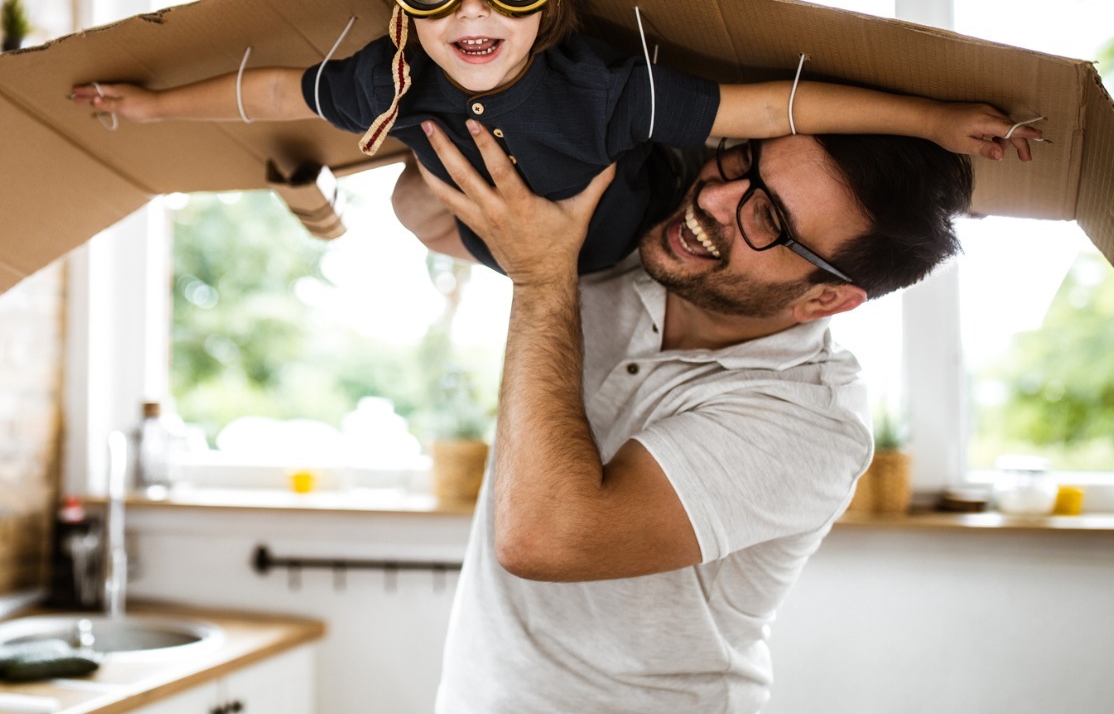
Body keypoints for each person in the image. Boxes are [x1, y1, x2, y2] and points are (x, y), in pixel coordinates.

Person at [69, 0, 1038, 276]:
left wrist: (931, 118)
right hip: (488, 245)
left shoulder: (607, 89)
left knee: (431, 196)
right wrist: (152, 106)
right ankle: (357, 210)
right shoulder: (397, 74)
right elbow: (275, 86)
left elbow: (775, 106)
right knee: (411, 205)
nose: (474, 9)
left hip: (619, 250)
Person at [401, 118, 975, 712]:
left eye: (768, 219)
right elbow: (426, 213)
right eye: (741, 162)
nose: (714, 198)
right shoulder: (632, 247)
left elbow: (544, 539)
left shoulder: (809, 423)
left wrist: (542, 272)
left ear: (824, 297)